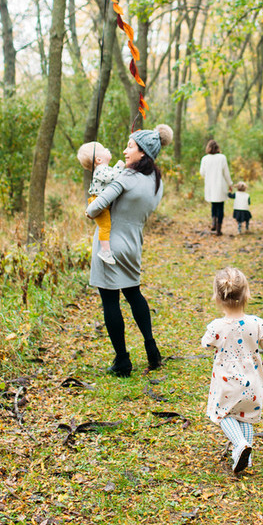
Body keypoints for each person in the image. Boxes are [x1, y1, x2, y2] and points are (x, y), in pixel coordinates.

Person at [85, 123, 173, 377]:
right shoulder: (156, 182)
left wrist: (91, 200)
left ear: (143, 152)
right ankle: (151, 350)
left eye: (130, 146)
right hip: (134, 244)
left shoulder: (125, 177)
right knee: (134, 294)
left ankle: (122, 361)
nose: (125, 151)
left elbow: (94, 209)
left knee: (110, 300)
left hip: (109, 244)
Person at [201, 267, 263, 475]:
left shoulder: (217, 326)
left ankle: (240, 445)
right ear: (246, 294)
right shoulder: (256, 323)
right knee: (245, 414)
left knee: (222, 413)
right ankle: (245, 457)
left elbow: (206, 344)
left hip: (228, 381)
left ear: (217, 298)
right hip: (251, 381)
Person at [77, 141, 124, 265]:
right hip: (98, 203)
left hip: (101, 202)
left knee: (106, 225)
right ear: (98, 159)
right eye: (104, 150)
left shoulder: (103, 169)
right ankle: (105, 250)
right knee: (105, 226)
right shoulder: (100, 170)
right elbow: (112, 177)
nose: (107, 150)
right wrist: (120, 166)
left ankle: (105, 249)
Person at [199, 139, 232, 235]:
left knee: (213, 205)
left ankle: (213, 221)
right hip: (220, 185)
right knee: (220, 207)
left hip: (210, 185)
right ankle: (219, 228)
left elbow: (202, 173)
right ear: (218, 148)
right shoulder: (222, 158)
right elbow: (226, 173)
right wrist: (230, 184)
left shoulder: (205, 159)